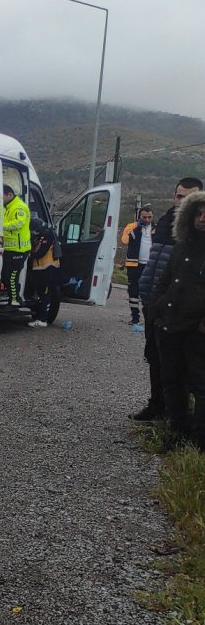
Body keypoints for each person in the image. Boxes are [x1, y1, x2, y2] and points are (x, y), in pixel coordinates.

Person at [131, 176, 204, 422]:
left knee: (181, 368)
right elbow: (157, 264)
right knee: (154, 356)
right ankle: (157, 405)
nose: (181, 201)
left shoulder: (192, 228)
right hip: (156, 303)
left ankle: (182, 421)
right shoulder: (165, 222)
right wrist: (151, 301)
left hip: (180, 311)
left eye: (188, 197)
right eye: (178, 196)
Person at [146, 190, 205, 445]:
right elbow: (164, 281)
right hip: (169, 325)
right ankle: (177, 432)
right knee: (171, 382)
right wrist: (156, 309)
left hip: (197, 329)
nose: (203, 218)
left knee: (200, 385)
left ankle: (199, 441)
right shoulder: (181, 247)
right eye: (199, 213)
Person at [0, 184, 31, 311]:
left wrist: (1, 226)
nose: (1, 200)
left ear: (9, 195)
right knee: (5, 275)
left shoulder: (19, 207)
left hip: (19, 249)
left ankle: (14, 303)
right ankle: (16, 298)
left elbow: (18, 223)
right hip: (9, 249)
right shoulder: (7, 207)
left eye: (3, 197)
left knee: (11, 276)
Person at [121, 206, 154, 324]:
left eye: (149, 217)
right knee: (133, 290)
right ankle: (135, 317)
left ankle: (150, 318)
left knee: (149, 291)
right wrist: (136, 229)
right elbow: (124, 240)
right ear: (139, 217)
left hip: (150, 264)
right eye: (144, 217)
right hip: (134, 264)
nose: (147, 220)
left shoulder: (156, 228)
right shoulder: (132, 226)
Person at [26, 216, 60, 328]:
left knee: (45, 296)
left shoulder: (48, 236)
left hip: (48, 271)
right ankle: (39, 318)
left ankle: (42, 319)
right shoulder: (42, 235)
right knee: (41, 295)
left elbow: (42, 252)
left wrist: (30, 255)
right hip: (42, 271)